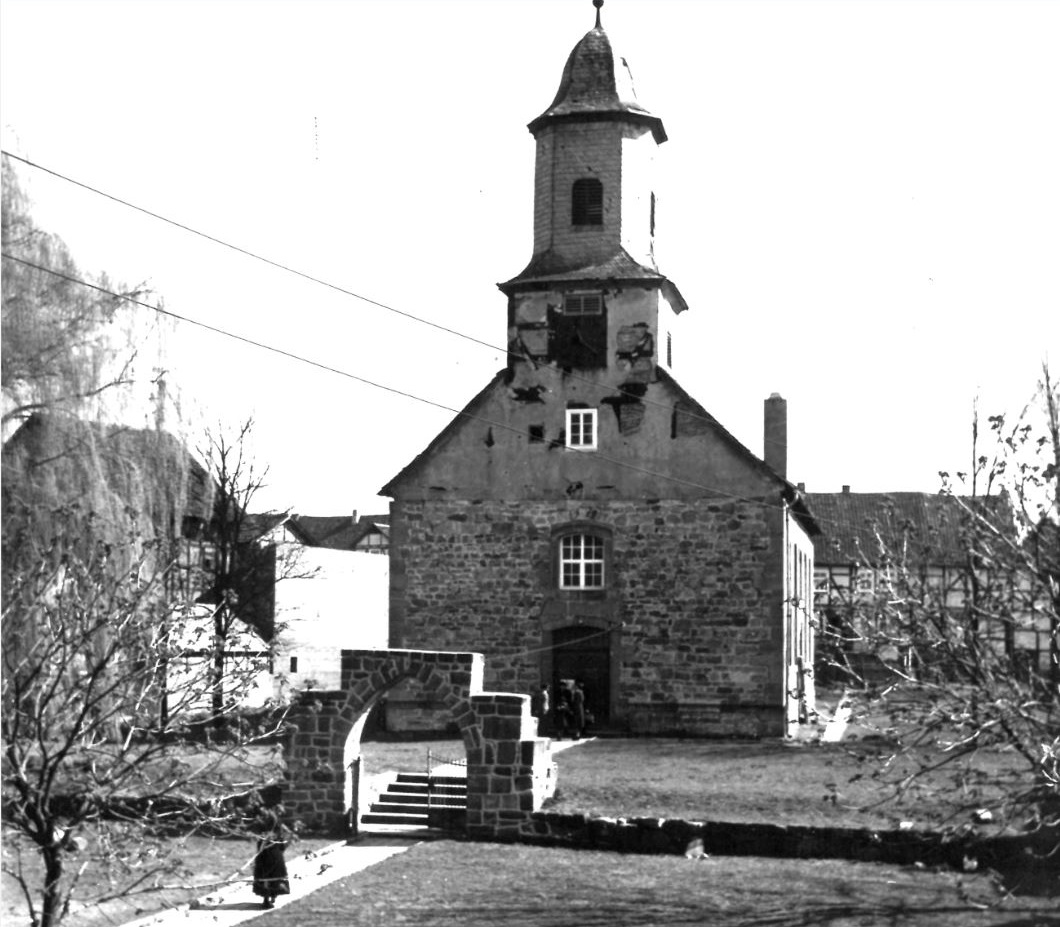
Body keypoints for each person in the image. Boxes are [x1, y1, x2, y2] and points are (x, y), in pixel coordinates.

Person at [251, 803, 294, 908]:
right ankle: (266, 899)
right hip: (266, 849)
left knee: (275, 872)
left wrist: (282, 837)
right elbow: (257, 832)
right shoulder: (262, 820)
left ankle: (273, 894)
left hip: (273, 848)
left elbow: (280, 832)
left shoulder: (274, 819)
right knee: (266, 873)